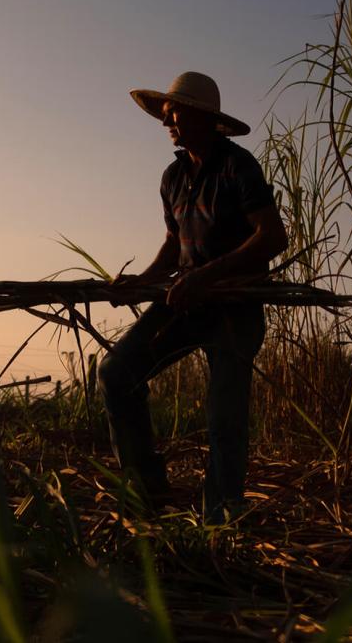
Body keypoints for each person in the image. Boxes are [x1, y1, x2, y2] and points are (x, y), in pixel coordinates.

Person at [102, 71, 288, 522]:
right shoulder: (173, 176)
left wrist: (207, 276)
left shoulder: (238, 166)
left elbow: (271, 236)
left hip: (234, 307)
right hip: (184, 302)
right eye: (166, 114)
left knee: (224, 416)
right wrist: (141, 281)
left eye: (175, 113)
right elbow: (174, 244)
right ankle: (148, 494)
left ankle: (221, 518)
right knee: (116, 371)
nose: (167, 121)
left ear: (203, 117)